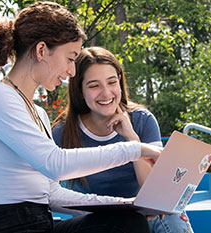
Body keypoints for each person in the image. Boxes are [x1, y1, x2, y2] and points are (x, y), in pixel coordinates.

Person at [0, 2, 163, 233]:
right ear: (41, 51)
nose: (72, 71)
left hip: (41, 222)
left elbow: (51, 193)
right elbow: (55, 164)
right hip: (2, 225)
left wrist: (124, 205)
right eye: (71, 58)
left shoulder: (37, 112)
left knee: (128, 221)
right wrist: (137, 149)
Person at [52, 46, 194, 233]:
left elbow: (155, 192)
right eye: (94, 86)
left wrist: (132, 139)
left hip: (144, 215)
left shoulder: (142, 120)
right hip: (95, 220)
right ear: (79, 89)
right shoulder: (63, 131)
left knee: (172, 213)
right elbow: (49, 191)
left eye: (111, 82)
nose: (106, 93)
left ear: (119, 82)